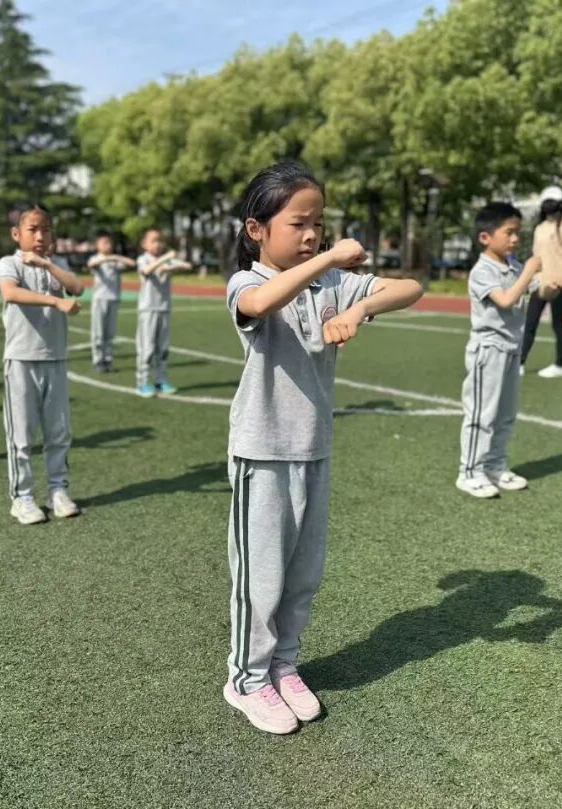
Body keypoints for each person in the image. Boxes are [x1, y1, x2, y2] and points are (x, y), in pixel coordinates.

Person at [223, 161, 423, 735]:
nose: (312, 234)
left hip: (314, 447)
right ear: (256, 229)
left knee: (302, 572)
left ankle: (283, 665)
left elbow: (411, 288)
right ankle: (247, 678)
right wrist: (331, 257)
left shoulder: (330, 285)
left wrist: (359, 306)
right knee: (261, 575)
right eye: (299, 223)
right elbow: (260, 305)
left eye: (319, 223)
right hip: (263, 451)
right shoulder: (248, 281)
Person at [458, 202, 560, 499]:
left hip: (511, 349)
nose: (515, 239)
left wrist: (553, 285)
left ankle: (494, 465)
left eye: (518, 233)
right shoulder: (482, 271)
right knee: (482, 414)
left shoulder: (514, 267)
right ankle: (469, 472)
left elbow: (539, 291)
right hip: (488, 350)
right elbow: (505, 300)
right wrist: (528, 271)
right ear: (485, 237)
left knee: (505, 414)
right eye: (509, 233)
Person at [0, 202, 84, 525]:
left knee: (58, 432)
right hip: (21, 359)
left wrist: (47, 264)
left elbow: (78, 288)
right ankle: (22, 497)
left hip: (55, 358)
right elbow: (10, 293)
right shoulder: (9, 263)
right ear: (16, 233)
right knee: (21, 435)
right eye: (32, 229)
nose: (40, 236)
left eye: (46, 230)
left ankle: (58, 490)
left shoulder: (56, 264)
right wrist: (55, 301)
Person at [521, 186, 562, 379]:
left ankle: (559, 365)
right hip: (540, 283)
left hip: (560, 284)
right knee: (530, 323)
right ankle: (519, 363)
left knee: (557, 323)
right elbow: (536, 256)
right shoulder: (539, 228)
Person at [135, 228, 191, 396]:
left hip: (164, 308)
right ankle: (143, 382)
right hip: (148, 309)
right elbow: (147, 271)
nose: (157, 244)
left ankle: (161, 380)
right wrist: (166, 260)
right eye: (153, 241)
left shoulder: (166, 261)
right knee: (147, 348)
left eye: (160, 240)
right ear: (144, 244)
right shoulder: (143, 259)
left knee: (163, 348)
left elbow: (187, 266)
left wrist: (172, 266)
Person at [86, 230, 136, 373]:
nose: (108, 245)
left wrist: (115, 257)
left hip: (113, 298)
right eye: (104, 243)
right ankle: (98, 360)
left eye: (110, 243)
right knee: (98, 332)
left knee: (110, 332)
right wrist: (107, 259)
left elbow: (132, 263)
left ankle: (108, 359)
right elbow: (92, 265)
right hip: (100, 299)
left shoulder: (115, 261)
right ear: (97, 245)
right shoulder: (96, 258)